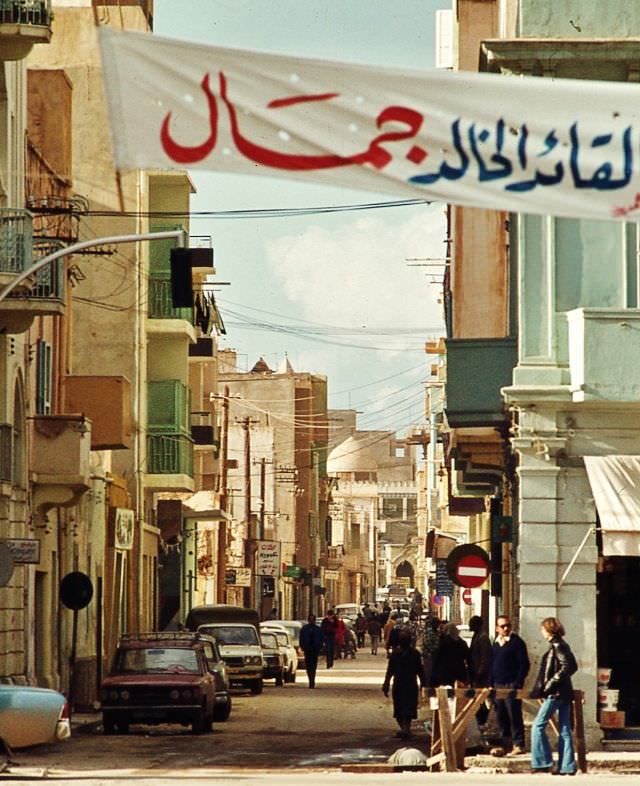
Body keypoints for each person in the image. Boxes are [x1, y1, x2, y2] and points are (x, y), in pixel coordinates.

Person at [530, 618, 578, 775]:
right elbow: (570, 666)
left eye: (543, 629)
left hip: (556, 693)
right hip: (564, 692)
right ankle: (567, 766)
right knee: (564, 729)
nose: (542, 632)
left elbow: (568, 666)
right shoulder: (561, 645)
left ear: (549, 630)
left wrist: (549, 684)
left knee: (538, 725)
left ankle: (542, 762)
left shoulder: (558, 646)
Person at [491, 615, 530, 757]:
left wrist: (517, 683)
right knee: (501, 715)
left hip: (511, 684)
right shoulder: (495, 643)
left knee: (514, 714)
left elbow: (524, 665)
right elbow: (492, 664)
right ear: (497, 628)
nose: (506, 628)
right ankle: (505, 745)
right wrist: (490, 684)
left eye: (508, 625)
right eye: (502, 626)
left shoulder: (517, 643)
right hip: (497, 684)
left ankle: (518, 744)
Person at [382, 629, 426, 739]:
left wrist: (423, 683)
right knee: (400, 708)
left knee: (408, 707)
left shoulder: (414, 654)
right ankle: (405, 729)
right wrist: (386, 683)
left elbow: (419, 670)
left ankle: (406, 729)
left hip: (407, 684)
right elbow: (390, 670)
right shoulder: (396, 655)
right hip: (402, 684)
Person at [469, 615, 492, 727]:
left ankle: (483, 720)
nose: (470, 626)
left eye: (472, 624)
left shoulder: (483, 638)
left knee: (482, 699)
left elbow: (485, 658)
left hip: (482, 676)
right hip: (476, 673)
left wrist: (480, 672)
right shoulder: (476, 636)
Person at [430, 622, 470, 687]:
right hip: (460, 673)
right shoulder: (462, 643)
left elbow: (437, 660)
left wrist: (434, 676)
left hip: (446, 674)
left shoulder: (443, 643)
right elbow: (468, 657)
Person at [299, 613, 324, 688]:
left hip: (315, 651)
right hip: (307, 650)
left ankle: (312, 681)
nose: (312, 621)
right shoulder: (305, 629)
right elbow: (301, 639)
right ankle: (310, 679)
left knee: (313, 667)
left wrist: (319, 648)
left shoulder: (318, 629)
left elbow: (321, 639)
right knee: (308, 666)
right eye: (310, 619)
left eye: (313, 619)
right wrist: (303, 647)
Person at [421, 616, 441, 685]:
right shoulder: (428, 632)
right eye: (436, 623)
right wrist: (436, 650)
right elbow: (428, 644)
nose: (437, 625)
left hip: (436, 657)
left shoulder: (438, 632)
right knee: (428, 673)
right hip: (428, 656)